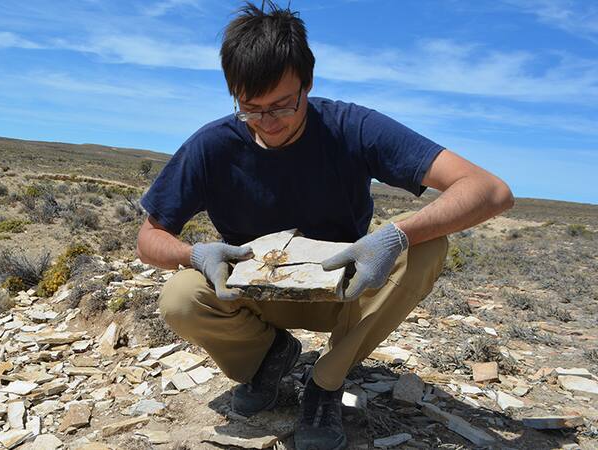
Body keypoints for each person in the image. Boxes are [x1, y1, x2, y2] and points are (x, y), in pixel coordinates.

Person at [136, 2, 514, 449]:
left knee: (427, 246)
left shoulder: (351, 126)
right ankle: (267, 359)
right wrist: (195, 254)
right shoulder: (212, 145)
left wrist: (396, 236)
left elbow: (490, 190)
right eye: (250, 109)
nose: (267, 123)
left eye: (282, 105)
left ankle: (326, 383)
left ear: (308, 83)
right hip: (256, 291)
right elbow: (149, 238)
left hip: (343, 290)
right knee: (180, 296)